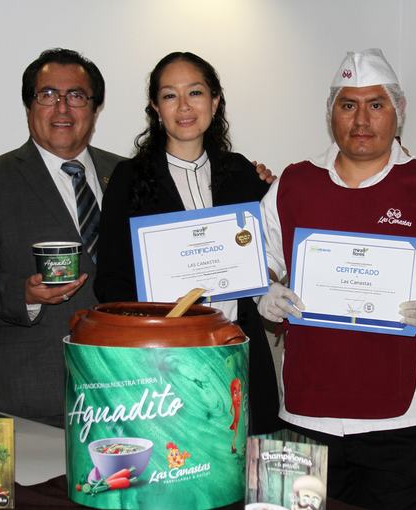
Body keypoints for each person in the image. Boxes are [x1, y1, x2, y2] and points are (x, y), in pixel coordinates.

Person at [257, 48, 416, 509]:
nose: (361, 119)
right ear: (331, 112)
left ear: (399, 111)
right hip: (304, 409)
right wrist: (264, 290)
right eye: (348, 105)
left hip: (400, 416)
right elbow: (263, 257)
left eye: (376, 104)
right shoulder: (293, 183)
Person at [94, 51, 280, 435]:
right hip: (165, 362)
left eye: (195, 92)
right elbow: (110, 281)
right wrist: (159, 318)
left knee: (245, 459)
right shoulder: (129, 179)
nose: (183, 106)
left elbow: (270, 254)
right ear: (155, 107)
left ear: (215, 100)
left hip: (239, 350)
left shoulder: (243, 173)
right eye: (169, 95)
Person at [0, 48, 124, 427]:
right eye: (48, 95)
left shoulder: (129, 174)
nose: (62, 108)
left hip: (130, 386)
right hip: (34, 391)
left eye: (76, 95)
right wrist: (23, 294)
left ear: (94, 109)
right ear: (29, 106)